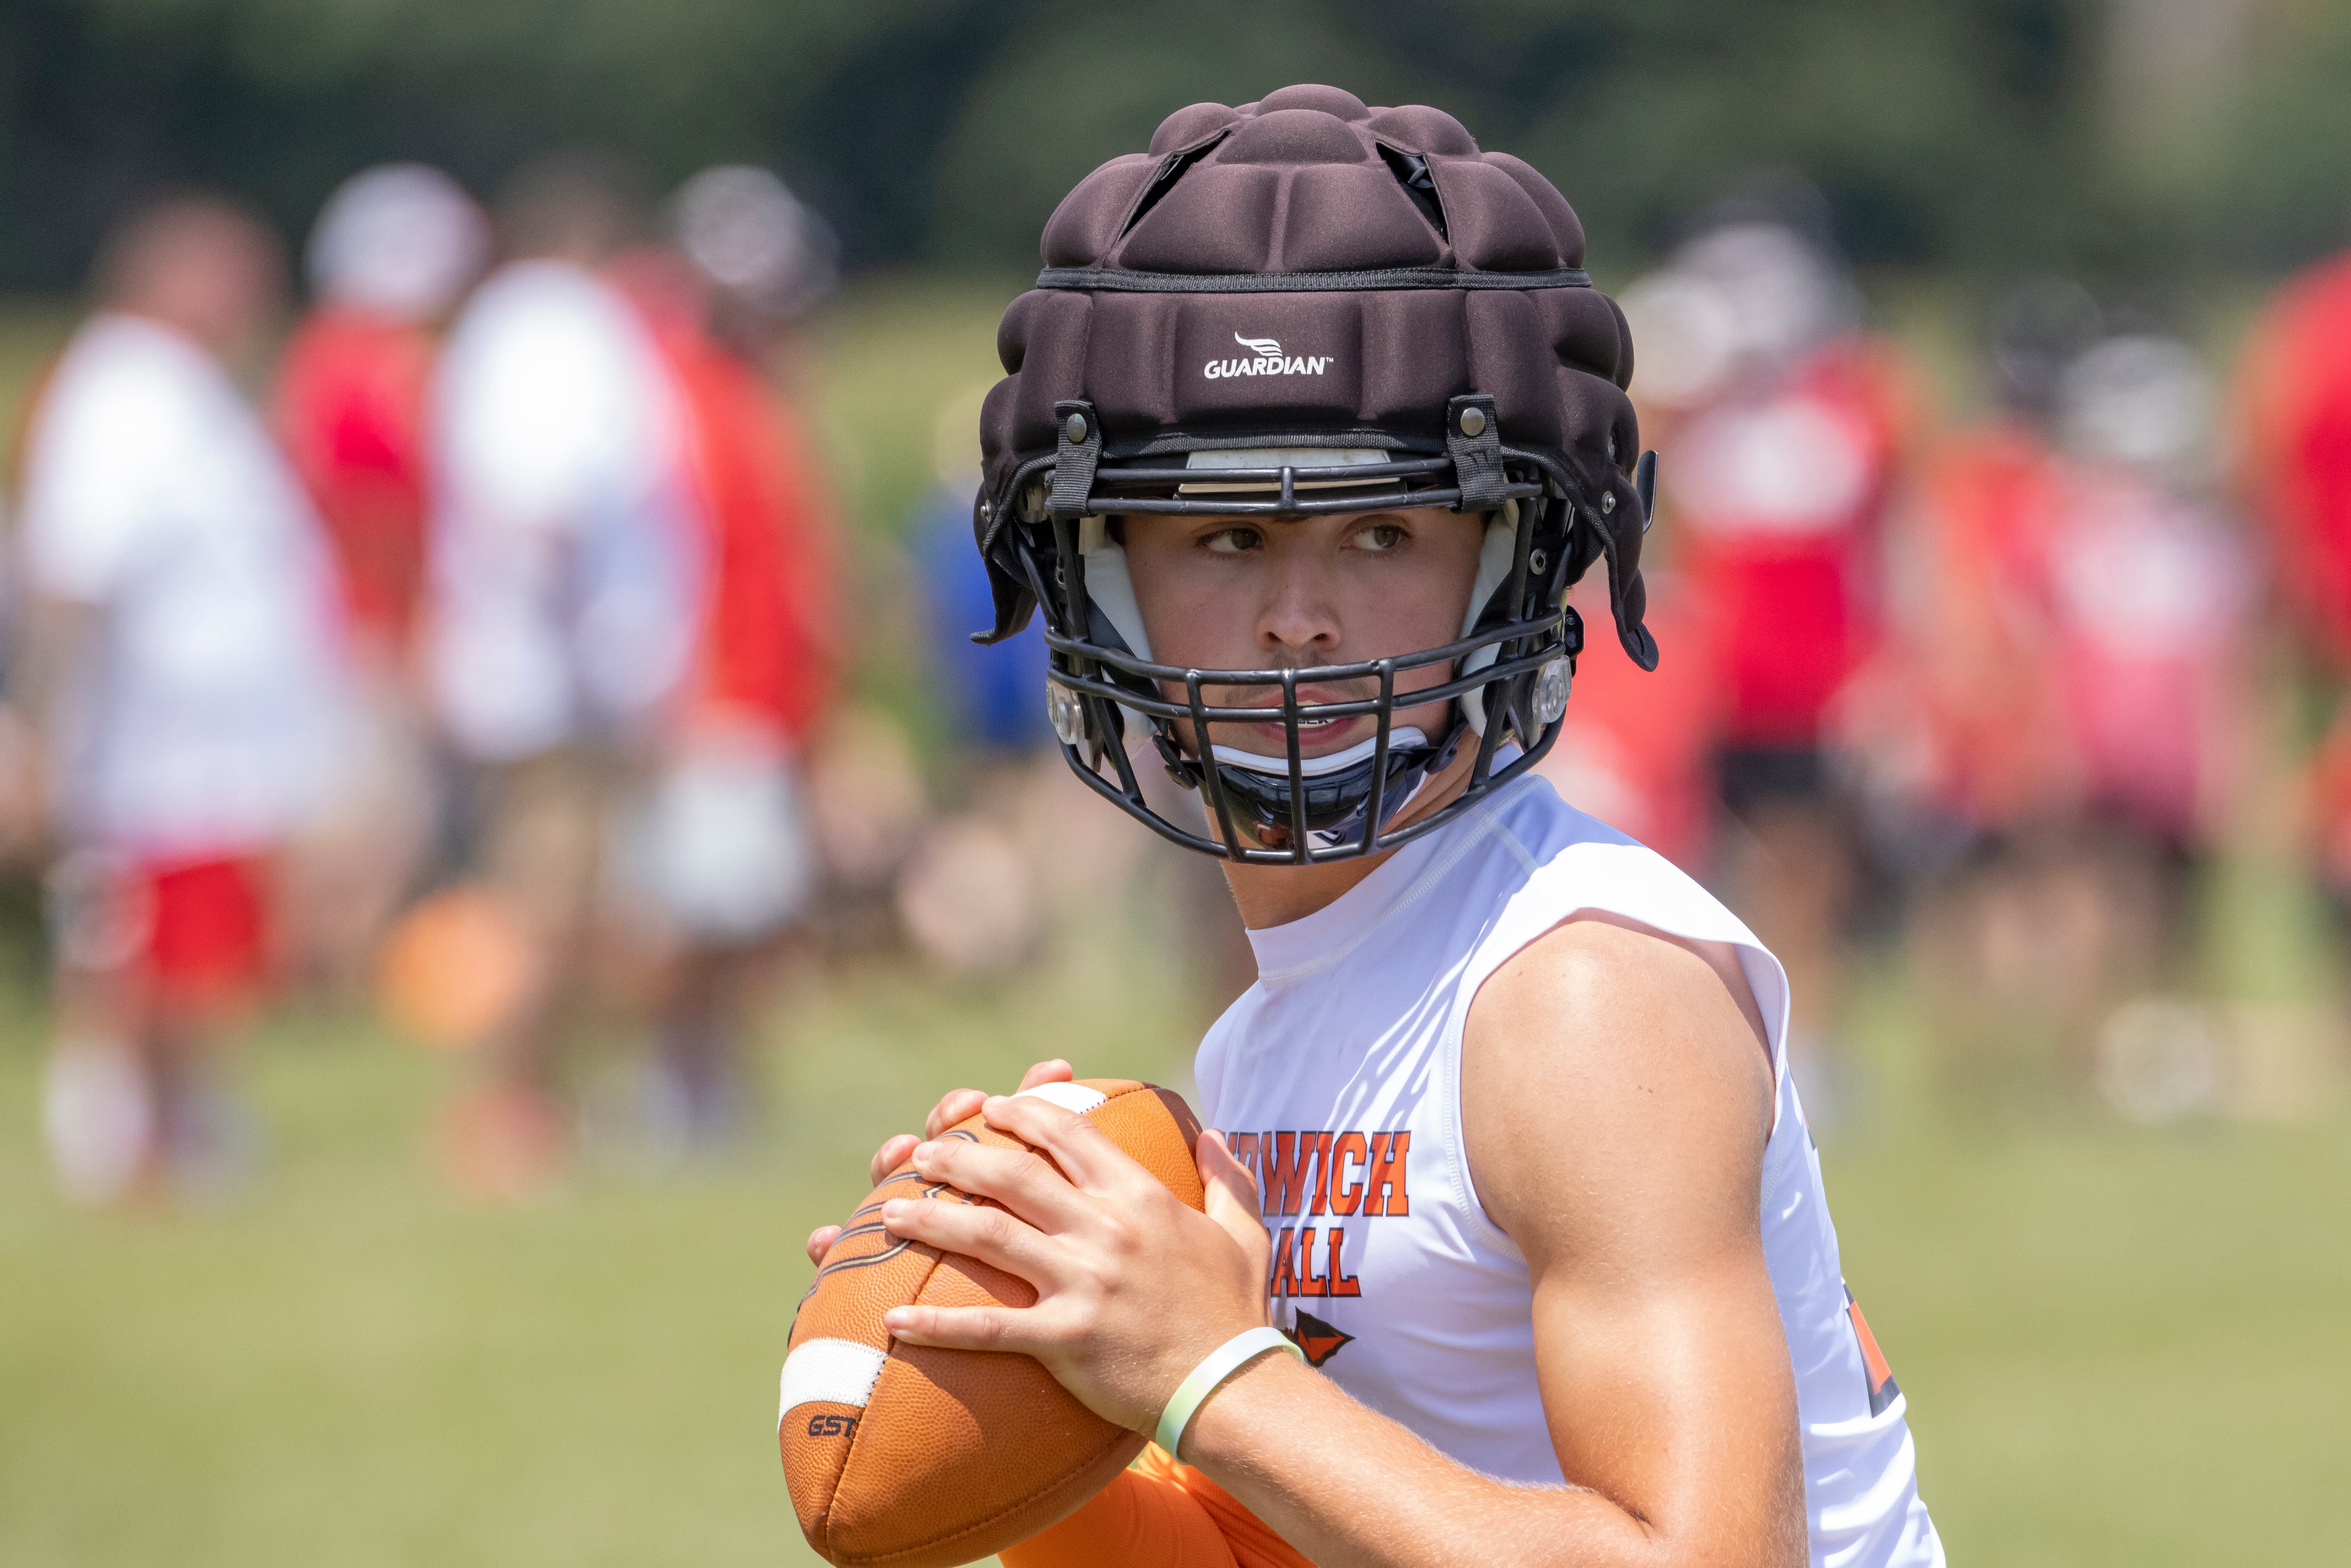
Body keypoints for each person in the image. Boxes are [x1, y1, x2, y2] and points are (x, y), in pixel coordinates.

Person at [794, 87, 1939, 1568]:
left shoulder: (1579, 998)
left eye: (1386, 533)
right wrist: (1040, 1352)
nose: (1300, 614)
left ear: (1516, 562)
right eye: (1223, 535)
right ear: (1099, 580)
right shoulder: (1272, 1036)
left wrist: (1213, 1379)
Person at [13, 194, 347, 1203]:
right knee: (134, 955)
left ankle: (184, 1130)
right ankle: (123, 1145)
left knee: (195, 956)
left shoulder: (184, 391)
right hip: (142, 748)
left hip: (206, 754)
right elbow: (73, 575)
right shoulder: (119, 392)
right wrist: (33, 728)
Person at [424, 151, 704, 1195]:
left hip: (551, 675)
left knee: (568, 903)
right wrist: (590, 652)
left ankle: (540, 1099)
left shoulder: (511, 328)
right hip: (563, 687)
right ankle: (514, 1105)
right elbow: (548, 498)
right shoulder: (554, 327)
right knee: (550, 905)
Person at [1617, 201, 1917, 1114]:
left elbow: (1887, 552)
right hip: (1705, 685)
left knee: (1808, 871)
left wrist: (1893, 674)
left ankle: (1808, 1053)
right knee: (1675, 867)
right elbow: (1620, 459)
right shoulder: (1689, 415)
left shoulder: (1849, 410)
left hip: (1811, 690)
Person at [599, 165, 840, 1150]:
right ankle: (668, 1087)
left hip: (765, 692)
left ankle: (710, 1088)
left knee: (741, 910)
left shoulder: (753, 391)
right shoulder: (656, 390)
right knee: (694, 914)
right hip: (706, 691)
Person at [272, 163, 489, 995]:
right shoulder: (376, 371)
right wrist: (413, 629)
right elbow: (380, 519)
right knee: (373, 828)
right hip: (367, 626)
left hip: (336, 624)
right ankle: (329, 989)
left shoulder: (321, 359)